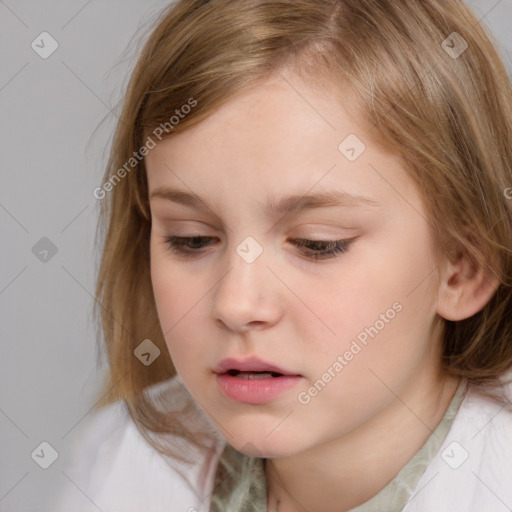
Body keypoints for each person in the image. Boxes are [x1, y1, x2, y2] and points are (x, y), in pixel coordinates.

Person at [55, 0, 512, 511]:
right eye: (192, 239)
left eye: (318, 243)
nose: (236, 303)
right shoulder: (113, 464)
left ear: (464, 268)